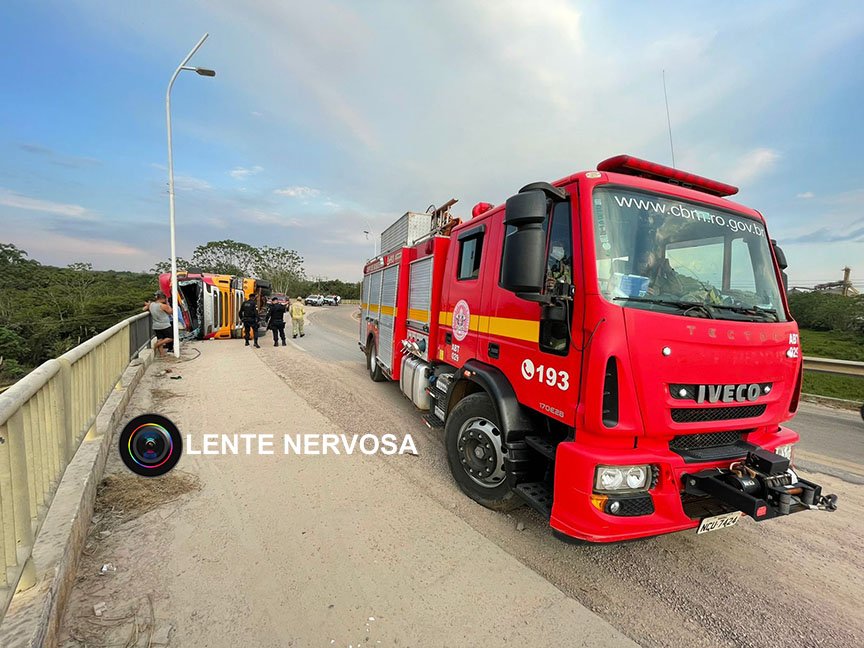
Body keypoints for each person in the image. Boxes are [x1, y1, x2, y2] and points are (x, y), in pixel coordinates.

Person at [144, 291, 174, 357]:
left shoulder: (151, 305)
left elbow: (144, 309)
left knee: (159, 338)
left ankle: (162, 354)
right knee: (171, 338)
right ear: (163, 298)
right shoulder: (163, 306)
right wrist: (167, 303)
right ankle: (157, 345)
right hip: (165, 325)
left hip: (156, 325)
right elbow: (171, 312)